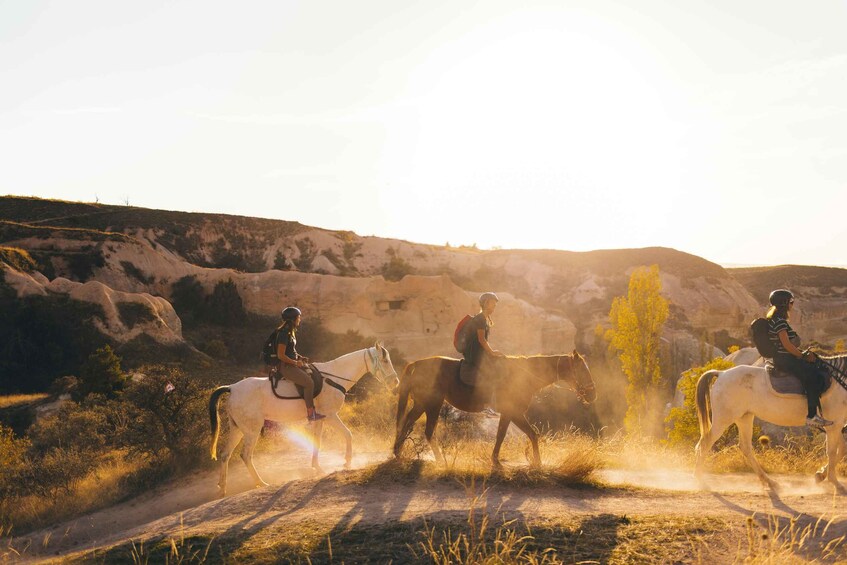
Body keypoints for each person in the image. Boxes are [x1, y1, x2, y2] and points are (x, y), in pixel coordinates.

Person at [766, 289, 831, 428]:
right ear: (784, 304)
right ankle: (812, 416)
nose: (792, 304)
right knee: (812, 377)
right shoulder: (780, 322)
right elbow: (786, 344)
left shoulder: (776, 319)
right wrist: (802, 355)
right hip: (785, 360)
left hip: (785, 357)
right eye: (791, 302)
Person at [273, 306, 325, 422]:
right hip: (285, 367)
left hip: (291, 364)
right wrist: (296, 362)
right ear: (293, 319)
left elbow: (291, 351)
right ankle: (311, 414)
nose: (300, 319)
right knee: (309, 383)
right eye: (298, 317)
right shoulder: (283, 334)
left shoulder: (290, 333)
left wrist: (299, 357)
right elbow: (281, 355)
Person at [460, 292, 505, 416]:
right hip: (475, 354)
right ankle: (485, 405)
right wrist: (491, 352)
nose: (494, 307)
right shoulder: (480, 319)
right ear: (486, 303)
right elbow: (481, 339)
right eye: (493, 304)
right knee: (490, 373)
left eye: (495, 305)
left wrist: (492, 352)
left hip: (479, 352)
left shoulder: (483, 319)